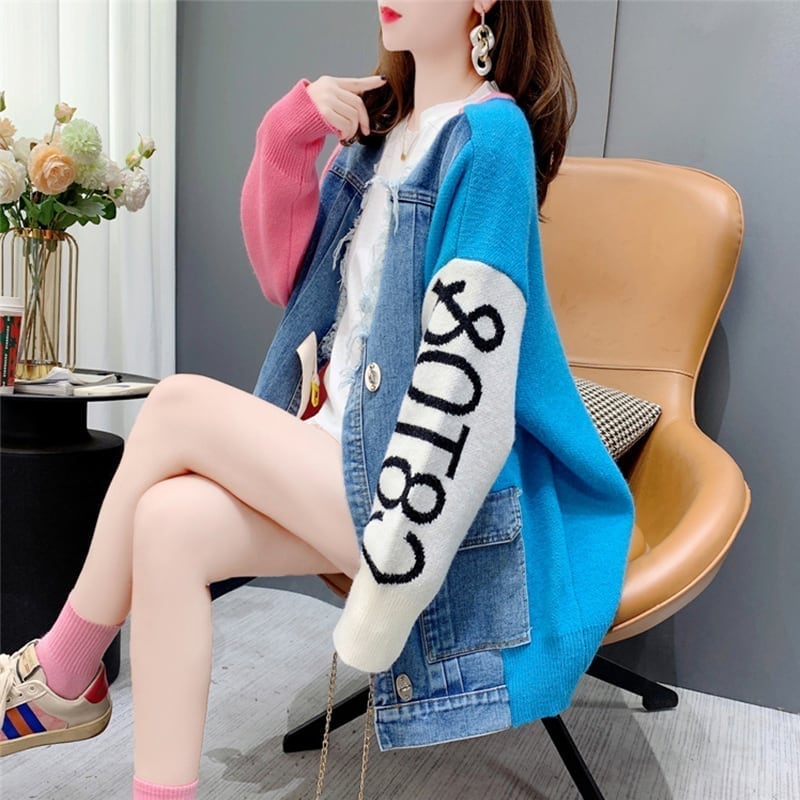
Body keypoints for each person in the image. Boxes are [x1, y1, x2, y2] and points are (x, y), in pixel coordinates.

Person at [0, 1, 634, 798]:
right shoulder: (378, 133)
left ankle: (60, 672)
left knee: (173, 406)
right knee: (164, 523)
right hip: (331, 454)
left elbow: (463, 384)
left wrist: (397, 570)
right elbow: (283, 277)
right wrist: (287, 134)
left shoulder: (490, 139)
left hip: (410, 498)